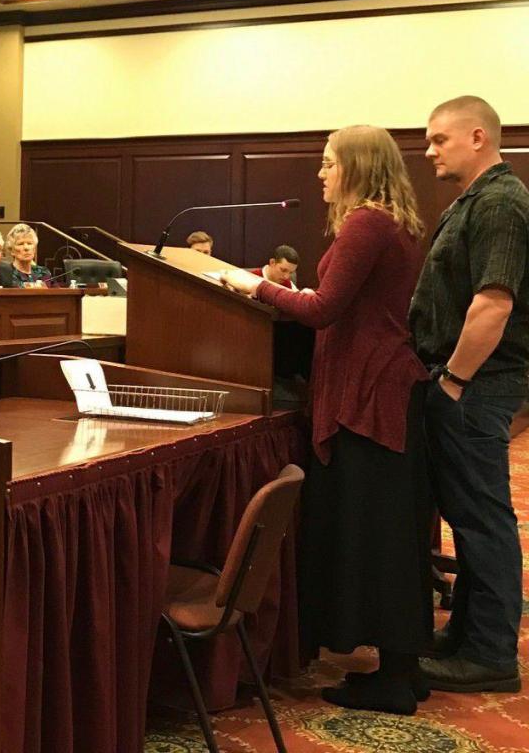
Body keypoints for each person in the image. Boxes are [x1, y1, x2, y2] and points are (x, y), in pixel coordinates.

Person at [222, 125, 431, 714]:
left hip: (370, 393)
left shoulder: (366, 222)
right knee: (391, 530)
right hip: (379, 384)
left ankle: (394, 679)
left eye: (329, 163)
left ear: (359, 167)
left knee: (379, 534)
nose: (320, 174)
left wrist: (254, 284)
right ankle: (402, 668)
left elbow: (323, 311)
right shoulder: (386, 220)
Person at [411, 96, 529, 695]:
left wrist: (453, 380)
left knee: (483, 521)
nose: (429, 150)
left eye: (439, 140)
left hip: (475, 386)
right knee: (470, 516)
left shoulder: (503, 203)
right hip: (467, 384)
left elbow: (494, 303)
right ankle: (466, 636)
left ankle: (488, 653)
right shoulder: (477, 200)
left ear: (478, 136)